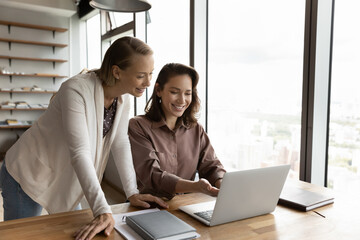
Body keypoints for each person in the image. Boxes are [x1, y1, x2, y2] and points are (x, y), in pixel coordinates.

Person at [0, 36, 168, 240]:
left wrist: (132, 192)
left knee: (77, 234)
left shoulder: (122, 98)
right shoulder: (76, 90)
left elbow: (120, 143)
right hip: (28, 172)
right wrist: (102, 210)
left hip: (66, 176)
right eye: (141, 75)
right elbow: (80, 152)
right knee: (21, 237)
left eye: (150, 74)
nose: (148, 82)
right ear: (116, 72)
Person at [128, 63, 226, 200]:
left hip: (186, 207)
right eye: (174, 92)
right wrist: (195, 187)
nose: (182, 100)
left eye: (187, 93)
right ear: (158, 90)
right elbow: (152, 175)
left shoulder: (196, 129)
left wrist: (223, 185)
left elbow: (211, 166)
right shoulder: (138, 126)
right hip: (150, 208)